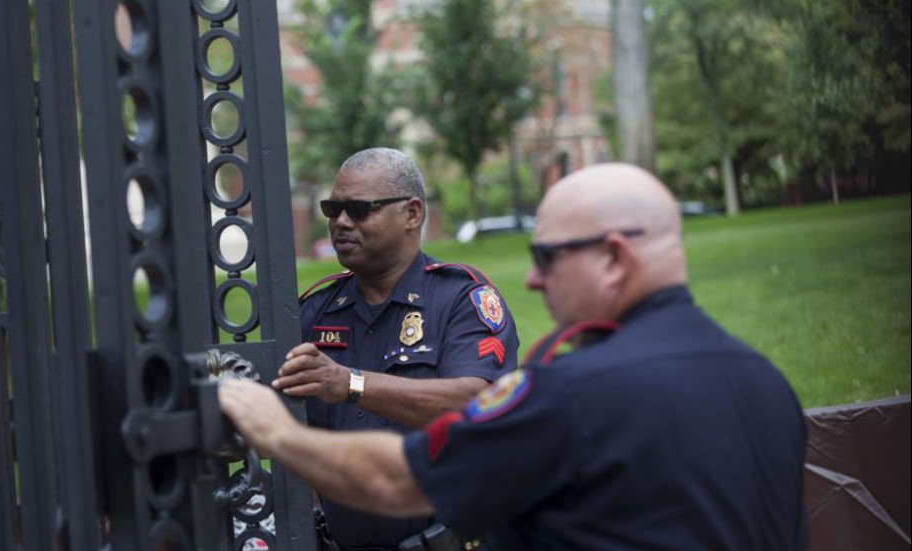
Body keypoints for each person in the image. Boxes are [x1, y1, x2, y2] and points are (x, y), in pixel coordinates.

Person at [220, 162, 810, 550]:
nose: (530, 279)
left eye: (548, 256)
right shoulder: (764, 381)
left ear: (612, 257)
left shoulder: (572, 391)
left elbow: (396, 480)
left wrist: (277, 432)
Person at [274, 147, 520, 550]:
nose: (340, 222)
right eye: (332, 208)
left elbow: (478, 402)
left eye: (359, 209)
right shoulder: (315, 311)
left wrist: (350, 383)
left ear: (412, 214)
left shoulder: (460, 299)